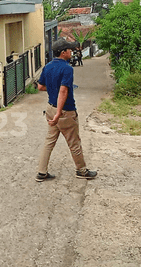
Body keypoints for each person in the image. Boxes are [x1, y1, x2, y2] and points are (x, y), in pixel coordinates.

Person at [35, 39, 97, 182]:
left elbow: (40, 87)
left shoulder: (48, 66)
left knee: (49, 141)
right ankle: (82, 171)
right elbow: (63, 91)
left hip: (50, 108)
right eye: (69, 50)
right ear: (63, 53)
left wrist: (54, 98)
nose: (71, 52)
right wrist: (59, 113)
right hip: (65, 112)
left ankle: (41, 172)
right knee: (74, 142)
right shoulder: (67, 68)